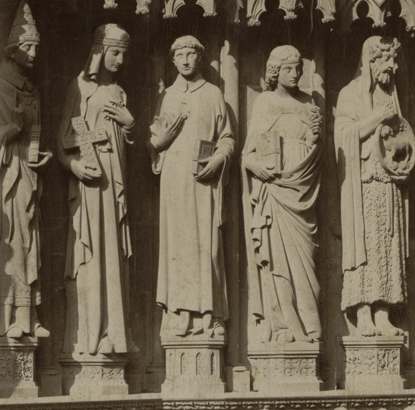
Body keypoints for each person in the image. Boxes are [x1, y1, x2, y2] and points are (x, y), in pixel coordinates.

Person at [150, 35, 233, 339]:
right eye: (179, 55)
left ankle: (208, 313)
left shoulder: (213, 94)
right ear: (172, 60)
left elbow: (227, 137)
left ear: (200, 57)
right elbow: (154, 142)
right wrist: (160, 142)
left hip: (203, 181)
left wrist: (219, 159)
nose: (185, 60)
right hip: (174, 180)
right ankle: (181, 312)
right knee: (178, 246)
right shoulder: (168, 96)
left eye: (190, 54)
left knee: (206, 246)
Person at [59, 25, 134, 358]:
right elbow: (65, 139)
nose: (119, 60)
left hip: (114, 182)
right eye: (114, 52)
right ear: (99, 52)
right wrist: (75, 166)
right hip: (89, 183)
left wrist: (130, 124)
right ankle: (89, 334)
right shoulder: (78, 88)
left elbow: (126, 140)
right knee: (90, 254)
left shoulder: (120, 93)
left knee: (113, 255)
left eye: (124, 55)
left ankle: (114, 333)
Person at [334, 36, 415, 338]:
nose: (393, 67)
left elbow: (402, 135)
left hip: (389, 184)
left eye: (394, 61)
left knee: (387, 247)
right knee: (365, 248)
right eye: (387, 60)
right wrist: (376, 119)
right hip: (362, 184)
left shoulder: (391, 95)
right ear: (371, 60)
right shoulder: (350, 93)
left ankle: (383, 312)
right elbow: (342, 136)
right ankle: (363, 311)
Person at [0, 3, 51, 341]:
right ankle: (1, 318)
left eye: (37, 47)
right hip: (4, 179)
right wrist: (12, 129)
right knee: (8, 240)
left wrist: (40, 155)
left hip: (26, 174)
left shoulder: (30, 89)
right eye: (28, 47)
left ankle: (28, 312)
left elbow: (31, 136)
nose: (35, 53)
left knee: (28, 243)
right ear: (13, 50)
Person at [243, 45, 322, 346]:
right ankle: (282, 326)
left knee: (307, 265)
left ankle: (308, 327)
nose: (296, 74)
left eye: (299, 68)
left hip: (303, 193)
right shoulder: (264, 103)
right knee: (276, 262)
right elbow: (247, 154)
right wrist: (257, 168)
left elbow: (316, 150)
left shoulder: (310, 103)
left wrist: (313, 141)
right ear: (274, 72)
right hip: (274, 193)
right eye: (289, 69)